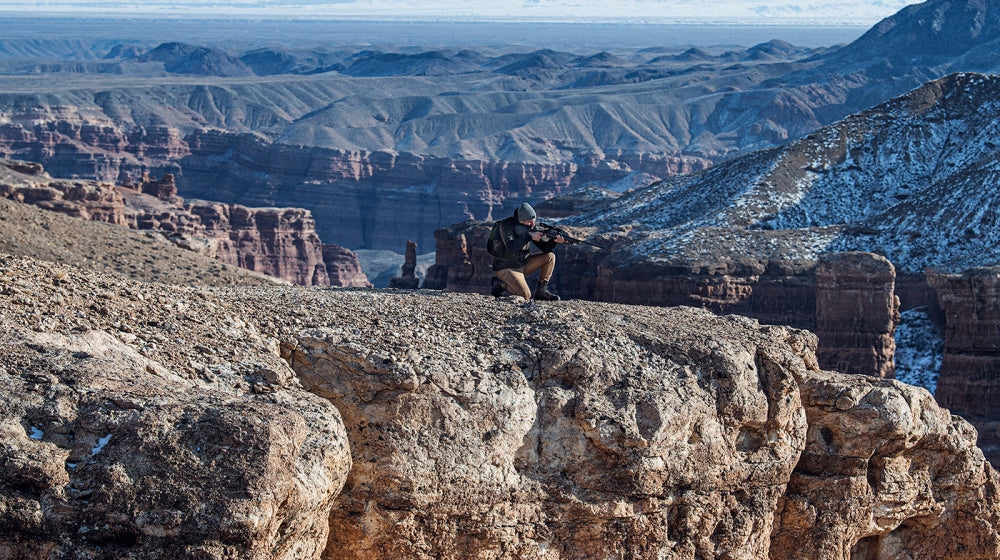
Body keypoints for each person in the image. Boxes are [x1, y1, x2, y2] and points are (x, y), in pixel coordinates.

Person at [486, 202, 566, 301]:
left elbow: (545, 248)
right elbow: (511, 246)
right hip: (505, 267)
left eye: (533, 221)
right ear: (521, 220)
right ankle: (500, 284)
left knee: (550, 257)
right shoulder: (506, 225)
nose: (532, 224)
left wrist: (554, 241)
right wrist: (529, 236)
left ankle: (541, 292)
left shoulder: (530, 227)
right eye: (529, 222)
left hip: (522, 264)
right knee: (525, 295)